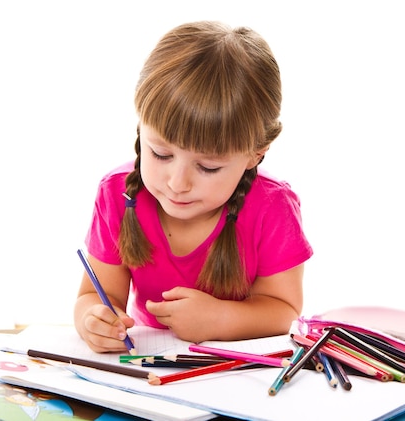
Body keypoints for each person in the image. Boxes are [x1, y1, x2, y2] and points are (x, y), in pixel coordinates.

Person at [74, 20, 313, 353]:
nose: (177, 183)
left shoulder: (273, 207)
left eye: (208, 167)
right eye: (160, 153)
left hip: (237, 374)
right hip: (151, 372)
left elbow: (284, 311)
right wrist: (93, 319)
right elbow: (94, 296)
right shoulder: (118, 194)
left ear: (255, 154)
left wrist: (221, 319)